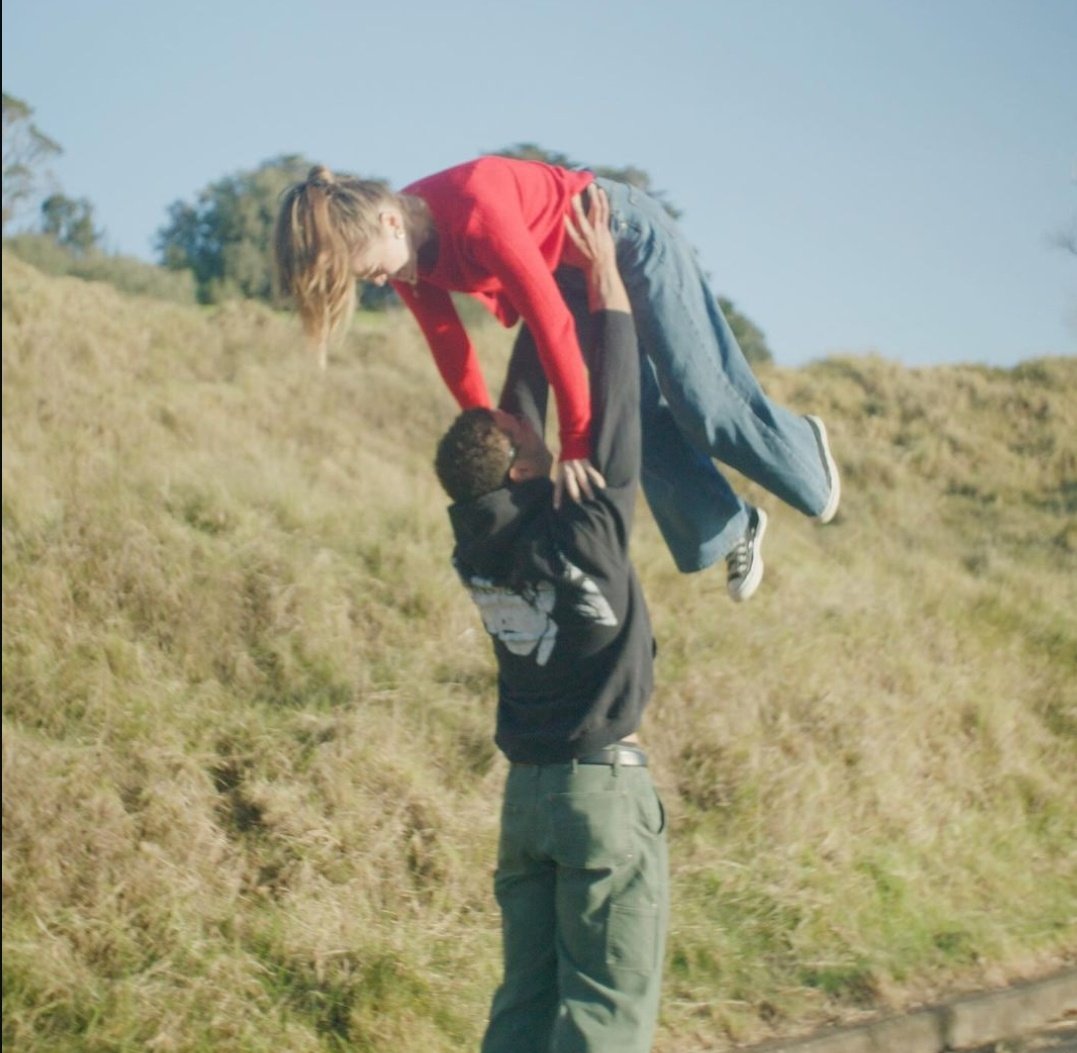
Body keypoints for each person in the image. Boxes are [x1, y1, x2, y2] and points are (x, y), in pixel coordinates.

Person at [274, 154, 841, 602]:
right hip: (568, 272)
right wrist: (494, 434)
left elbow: (550, 326)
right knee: (628, 418)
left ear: (390, 220)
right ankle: (731, 527)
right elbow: (452, 349)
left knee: (699, 399)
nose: (376, 281)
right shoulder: (405, 263)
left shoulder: (475, 206)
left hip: (620, 235)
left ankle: (801, 451)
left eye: (369, 266)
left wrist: (572, 442)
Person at [433, 189, 667, 1052]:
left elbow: (523, 405)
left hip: (526, 802)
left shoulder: (478, 545)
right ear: (524, 459)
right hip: (599, 797)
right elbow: (611, 406)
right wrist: (603, 270)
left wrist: (546, 280)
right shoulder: (589, 523)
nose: (529, 424)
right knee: (603, 1018)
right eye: (524, 435)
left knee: (524, 1014)